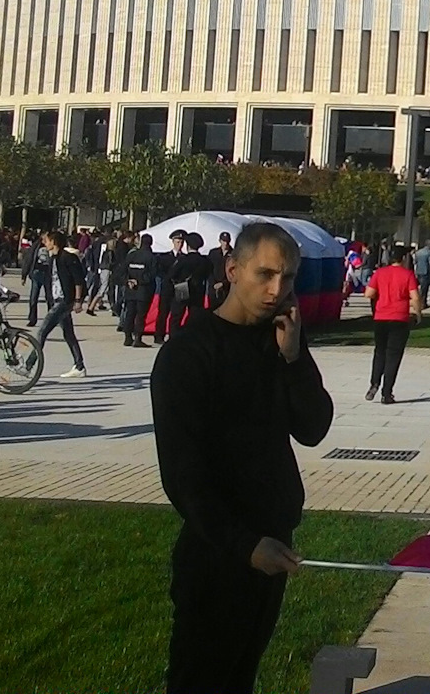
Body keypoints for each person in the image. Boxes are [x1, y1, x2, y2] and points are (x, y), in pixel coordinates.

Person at [151, 221, 334, 693]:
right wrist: (243, 545)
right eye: (265, 275)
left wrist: (295, 359)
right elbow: (183, 474)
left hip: (274, 539)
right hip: (218, 552)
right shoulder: (188, 354)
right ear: (232, 269)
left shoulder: (281, 339)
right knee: (202, 678)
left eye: (288, 278)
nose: (277, 290)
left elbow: (313, 428)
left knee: (241, 677)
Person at [364, 245, 422, 404]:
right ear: (403, 258)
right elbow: (415, 297)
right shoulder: (408, 274)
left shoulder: (380, 273)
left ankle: (374, 383)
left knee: (380, 352)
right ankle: (387, 393)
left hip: (380, 317)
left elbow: (368, 293)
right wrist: (418, 313)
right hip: (399, 318)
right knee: (393, 356)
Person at [31, 229, 89, 379]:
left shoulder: (68, 258)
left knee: (42, 331)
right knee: (68, 334)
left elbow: (78, 280)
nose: (45, 243)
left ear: (54, 242)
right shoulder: (53, 258)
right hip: (56, 300)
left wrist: (77, 300)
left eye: (47, 240)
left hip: (65, 300)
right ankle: (79, 365)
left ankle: (29, 364)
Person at [121, 233, 156, 348]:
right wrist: (139, 281)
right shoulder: (151, 257)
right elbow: (151, 275)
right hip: (143, 290)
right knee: (141, 315)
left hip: (130, 289)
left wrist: (129, 281)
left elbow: (123, 271)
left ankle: (127, 337)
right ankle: (138, 338)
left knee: (130, 313)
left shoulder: (132, 255)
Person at [413, 243, 430, 308]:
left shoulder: (418, 252)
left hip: (419, 271)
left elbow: (415, 262)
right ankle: (425, 302)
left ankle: (422, 302)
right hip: (427, 272)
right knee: (429, 288)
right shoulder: (429, 253)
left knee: (422, 288)